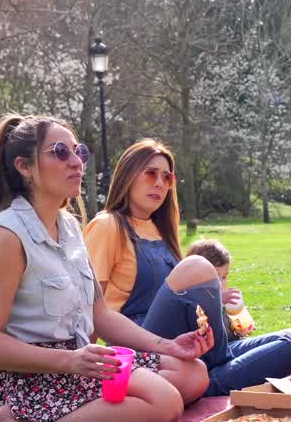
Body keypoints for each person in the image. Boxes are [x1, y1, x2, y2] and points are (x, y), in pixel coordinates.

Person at [0, 115, 212, 422]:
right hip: (27, 378)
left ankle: (72, 413)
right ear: (24, 167)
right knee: (164, 402)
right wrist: (70, 362)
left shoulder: (68, 227)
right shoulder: (4, 237)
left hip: (76, 363)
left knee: (192, 373)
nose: (76, 162)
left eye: (78, 151)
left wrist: (168, 345)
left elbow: (100, 314)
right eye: (60, 152)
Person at [83, 138, 225, 404]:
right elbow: (88, 309)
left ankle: (216, 369)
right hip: (137, 341)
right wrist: (86, 372)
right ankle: (221, 365)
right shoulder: (108, 225)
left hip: (178, 341)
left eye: (167, 177)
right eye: (150, 173)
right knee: (196, 266)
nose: (159, 183)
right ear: (128, 176)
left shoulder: (163, 231)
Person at [184, 239, 291, 396]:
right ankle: (211, 389)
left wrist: (237, 327)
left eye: (224, 277)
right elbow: (208, 350)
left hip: (224, 354)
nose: (220, 284)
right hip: (206, 371)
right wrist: (215, 303)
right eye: (215, 277)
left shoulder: (213, 297)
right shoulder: (187, 300)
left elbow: (223, 343)